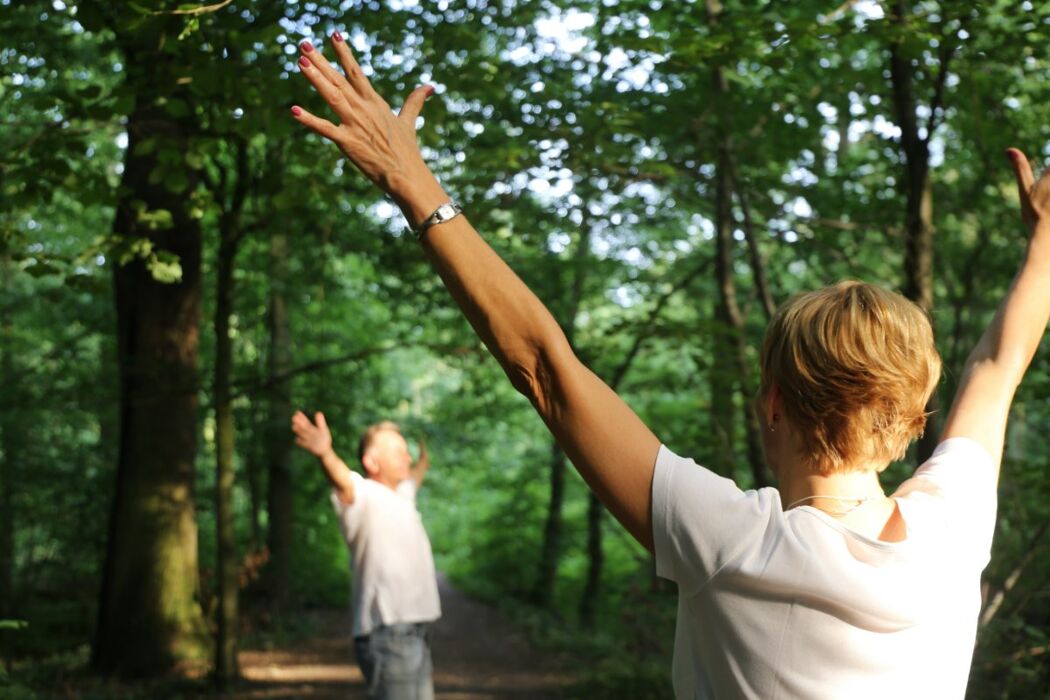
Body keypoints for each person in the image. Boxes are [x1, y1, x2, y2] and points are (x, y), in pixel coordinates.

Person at [287, 32, 1050, 699]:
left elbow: (546, 370)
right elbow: (998, 362)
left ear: (774, 403)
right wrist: (1045, 239)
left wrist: (412, 182)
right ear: (915, 417)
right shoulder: (954, 529)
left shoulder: (731, 542)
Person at [291, 411, 440, 700]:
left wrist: (423, 458)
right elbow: (342, 480)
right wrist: (325, 454)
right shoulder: (363, 494)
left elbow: (417, 474)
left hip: (418, 632)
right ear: (372, 462)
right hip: (389, 634)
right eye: (398, 453)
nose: (406, 458)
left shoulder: (403, 495)